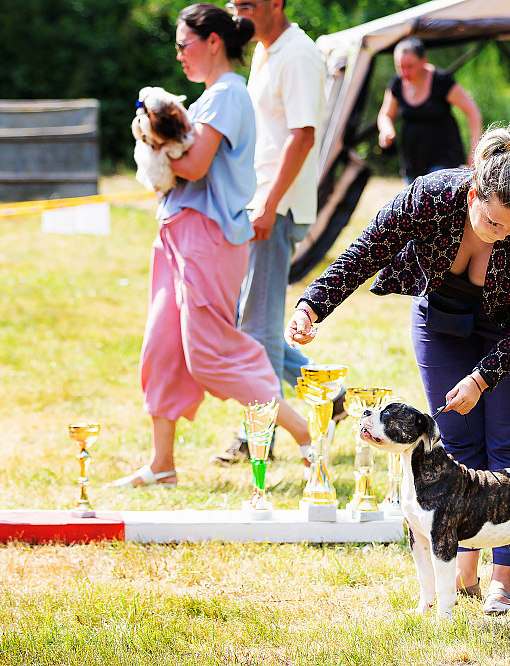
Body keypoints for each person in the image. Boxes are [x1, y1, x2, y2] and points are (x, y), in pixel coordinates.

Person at [285, 127, 510, 616]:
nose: (503, 232)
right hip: (445, 317)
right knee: (457, 439)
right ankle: (462, 569)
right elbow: (367, 250)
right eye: (493, 221)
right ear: (472, 194)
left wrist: (482, 378)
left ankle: (502, 583)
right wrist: (312, 306)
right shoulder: (429, 197)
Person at [112, 3, 313, 488]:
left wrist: (149, 137)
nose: (180, 54)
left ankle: (306, 435)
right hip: (177, 233)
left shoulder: (228, 92)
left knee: (210, 353)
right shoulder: (208, 98)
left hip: (210, 238)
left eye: (184, 44)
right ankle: (162, 466)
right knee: (161, 346)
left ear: (213, 42)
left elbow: (194, 165)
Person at [211, 0, 332, 465]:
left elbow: (301, 135)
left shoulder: (298, 55)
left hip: (274, 207)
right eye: (234, 2)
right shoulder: (263, 49)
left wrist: (267, 203)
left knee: (254, 329)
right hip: (257, 202)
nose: (237, 10)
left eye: (247, 3)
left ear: (277, 4)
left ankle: (256, 435)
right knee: (252, 324)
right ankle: (332, 395)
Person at [377, 37, 482, 182]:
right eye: (400, 66)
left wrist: (474, 153)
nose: (404, 72)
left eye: (410, 66)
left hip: (444, 158)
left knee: (433, 194)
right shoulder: (396, 83)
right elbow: (386, 115)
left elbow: (473, 112)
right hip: (413, 161)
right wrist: (387, 130)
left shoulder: (441, 81)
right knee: (414, 202)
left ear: (423, 61)